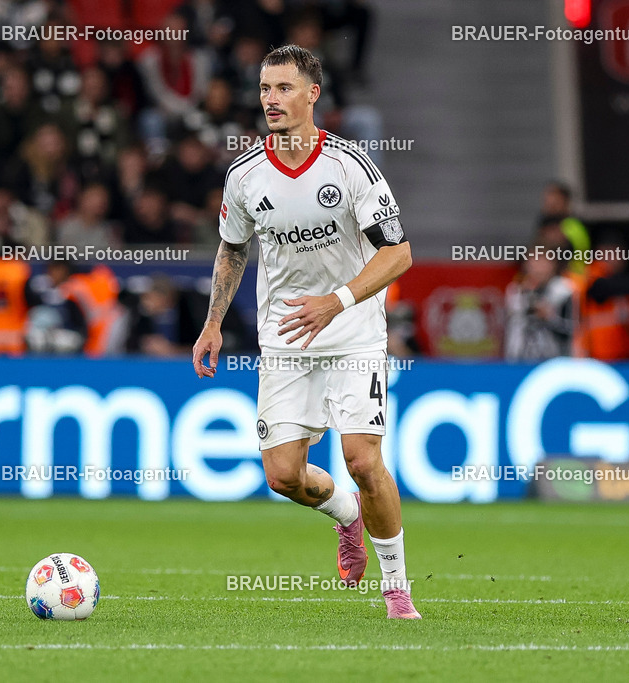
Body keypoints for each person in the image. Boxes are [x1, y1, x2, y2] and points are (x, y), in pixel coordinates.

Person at [191, 45, 418, 619]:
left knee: (364, 460)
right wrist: (214, 321)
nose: (271, 99)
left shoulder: (350, 167)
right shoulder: (244, 176)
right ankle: (347, 515)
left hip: (353, 335)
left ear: (312, 94)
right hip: (286, 341)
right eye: (265, 89)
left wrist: (335, 303)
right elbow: (232, 249)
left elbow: (399, 254)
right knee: (282, 475)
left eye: (283, 88)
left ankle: (397, 592)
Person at [505, 245, 576, 360]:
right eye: (534, 260)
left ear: (553, 264)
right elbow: (510, 327)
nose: (538, 267)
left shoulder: (564, 290)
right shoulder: (515, 291)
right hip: (519, 359)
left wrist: (550, 318)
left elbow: (573, 329)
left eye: (543, 261)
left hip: (554, 361)